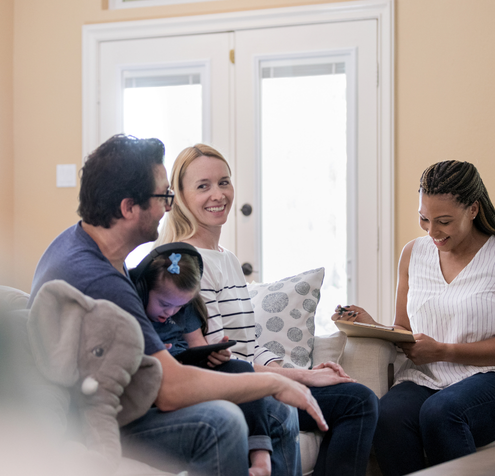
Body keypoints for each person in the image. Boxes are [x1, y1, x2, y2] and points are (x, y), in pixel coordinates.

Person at [28, 134, 329, 476]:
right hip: (98, 419)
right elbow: (170, 390)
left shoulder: (84, 245)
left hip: (119, 398)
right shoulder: (99, 280)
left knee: (276, 411)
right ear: (128, 207)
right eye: (163, 196)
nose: (169, 207)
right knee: (221, 422)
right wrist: (275, 382)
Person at [156, 143, 379, 476]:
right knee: (354, 402)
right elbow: (222, 362)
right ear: (182, 197)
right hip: (229, 389)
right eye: (203, 186)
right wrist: (303, 376)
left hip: (250, 377)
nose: (218, 194)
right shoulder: (188, 265)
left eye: (224, 182)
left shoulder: (227, 258)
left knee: (359, 398)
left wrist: (284, 366)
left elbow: (246, 339)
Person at [332, 160, 495, 475]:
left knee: (440, 412)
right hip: (425, 376)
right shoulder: (413, 254)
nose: (432, 232)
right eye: (424, 219)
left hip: (485, 376)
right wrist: (371, 324)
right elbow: (404, 329)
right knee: (386, 415)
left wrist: (444, 351)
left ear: (473, 210)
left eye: (444, 221)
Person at [130, 242, 277, 476]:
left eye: (180, 306)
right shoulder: (132, 305)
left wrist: (212, 355)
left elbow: (196, 345)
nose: (170, 313)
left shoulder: (180, 308)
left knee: (240, 369)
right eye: (165, 304)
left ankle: (260, 456)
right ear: (144, 288)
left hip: (186, 368)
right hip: (156, 377)